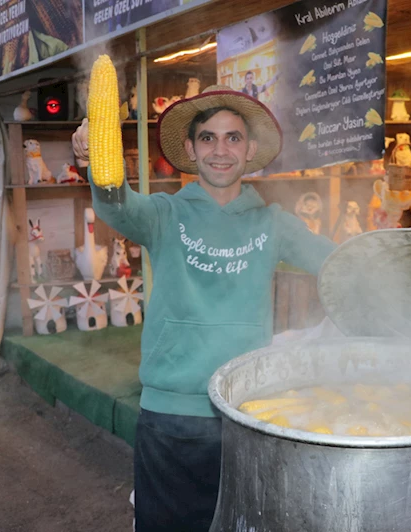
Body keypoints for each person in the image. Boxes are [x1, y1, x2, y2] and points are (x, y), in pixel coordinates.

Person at [89, 84, 337, 531]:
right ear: (190, 148)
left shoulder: (273, 223)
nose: (220, 150)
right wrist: (98, 162)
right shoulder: (163, 215)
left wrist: (400, 268)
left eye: (233, 138)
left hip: (248, 414)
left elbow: (336, 263)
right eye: (208, 138)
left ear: (250, 150)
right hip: (172, 417)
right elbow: (116, 203)